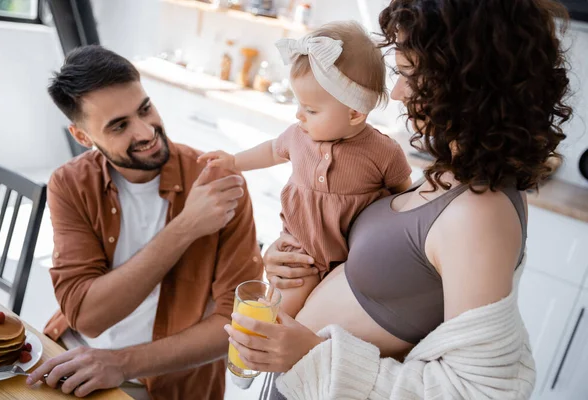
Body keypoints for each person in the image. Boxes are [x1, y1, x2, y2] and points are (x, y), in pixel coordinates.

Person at [225, 0, 572, 398]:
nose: (398, 92)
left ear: (468, 83)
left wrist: (312, 352)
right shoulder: (451, 175)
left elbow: (477, 391)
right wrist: (290, 261)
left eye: (409, 73)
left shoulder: (482, 213)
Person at [27, 45, 263, 400]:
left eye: (145, 109)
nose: (146, 132)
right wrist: (186, 227)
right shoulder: (70, 183)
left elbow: (237, 322)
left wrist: (120, 363)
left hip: (165, 384)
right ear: (83, 137)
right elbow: (86, 317)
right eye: (120, 126)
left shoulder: (218, 182)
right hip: (73, 353)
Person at [199, 22, 412, 316]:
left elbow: (404, 199)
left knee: (318, 319)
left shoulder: (384, 152)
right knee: (282, 309)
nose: (299, 115)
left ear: (355, 113)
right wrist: (234, 162)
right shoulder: (299, 136)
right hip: (301, 251)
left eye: (311, 109)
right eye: (300, 104)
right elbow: (271, 150)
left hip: (352, 261)